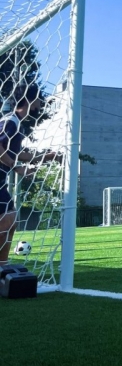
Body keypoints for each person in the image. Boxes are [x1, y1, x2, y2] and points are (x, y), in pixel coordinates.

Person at [0, 85, 61, 264]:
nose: (41, 103)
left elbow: (16, 154)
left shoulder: (16, 123)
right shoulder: (10, 122)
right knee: (8, 220)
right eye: (39, 99)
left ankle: (2, 266)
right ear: (31, 100)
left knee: (10, 221)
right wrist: (16, 167)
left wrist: (47, 156)